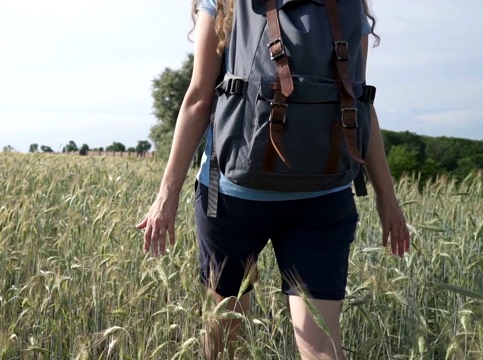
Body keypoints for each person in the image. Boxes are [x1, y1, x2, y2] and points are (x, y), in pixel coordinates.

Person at [137, 0, 411, 359]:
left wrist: (167, 194)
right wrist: (386, 197)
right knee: (322, 347)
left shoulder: (223, 2)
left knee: (224, 335)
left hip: (233, 193)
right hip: (325, 193)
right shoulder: (348, 5)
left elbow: (198, 98)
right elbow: (358, 98)